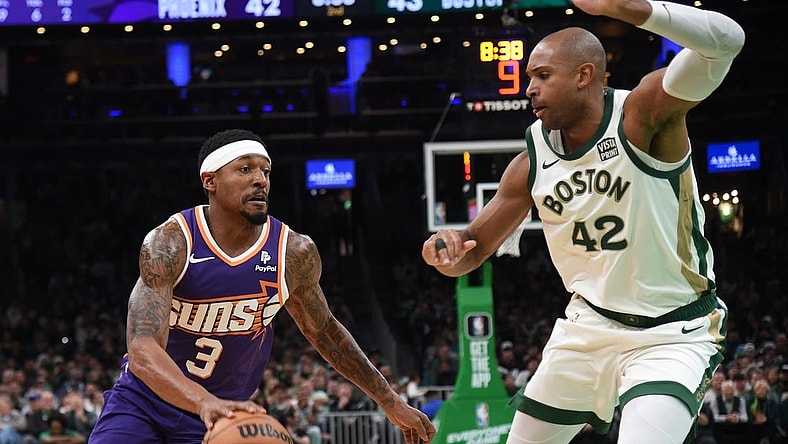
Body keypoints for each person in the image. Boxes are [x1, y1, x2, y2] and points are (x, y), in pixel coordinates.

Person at [421, 0, 744, 442]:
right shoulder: (530, 162)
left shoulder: (642, 116)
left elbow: (727, 41)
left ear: (584, 74)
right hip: (588, 328)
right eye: (529, 77)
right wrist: (447, 253)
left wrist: (629, 9)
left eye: (542, 75)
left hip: (673, 332)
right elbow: (471, 253)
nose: (528, 88)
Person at [89, 129, 435, 444]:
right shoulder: (171, 242)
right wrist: (205, 402)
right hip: (144, 402)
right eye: (245, 170)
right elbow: (143, 349)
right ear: (210, 180)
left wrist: (390, 401)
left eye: (265, 172)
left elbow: (326, 333)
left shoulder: (293, 253)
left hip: (226, 413)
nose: (260, 180)